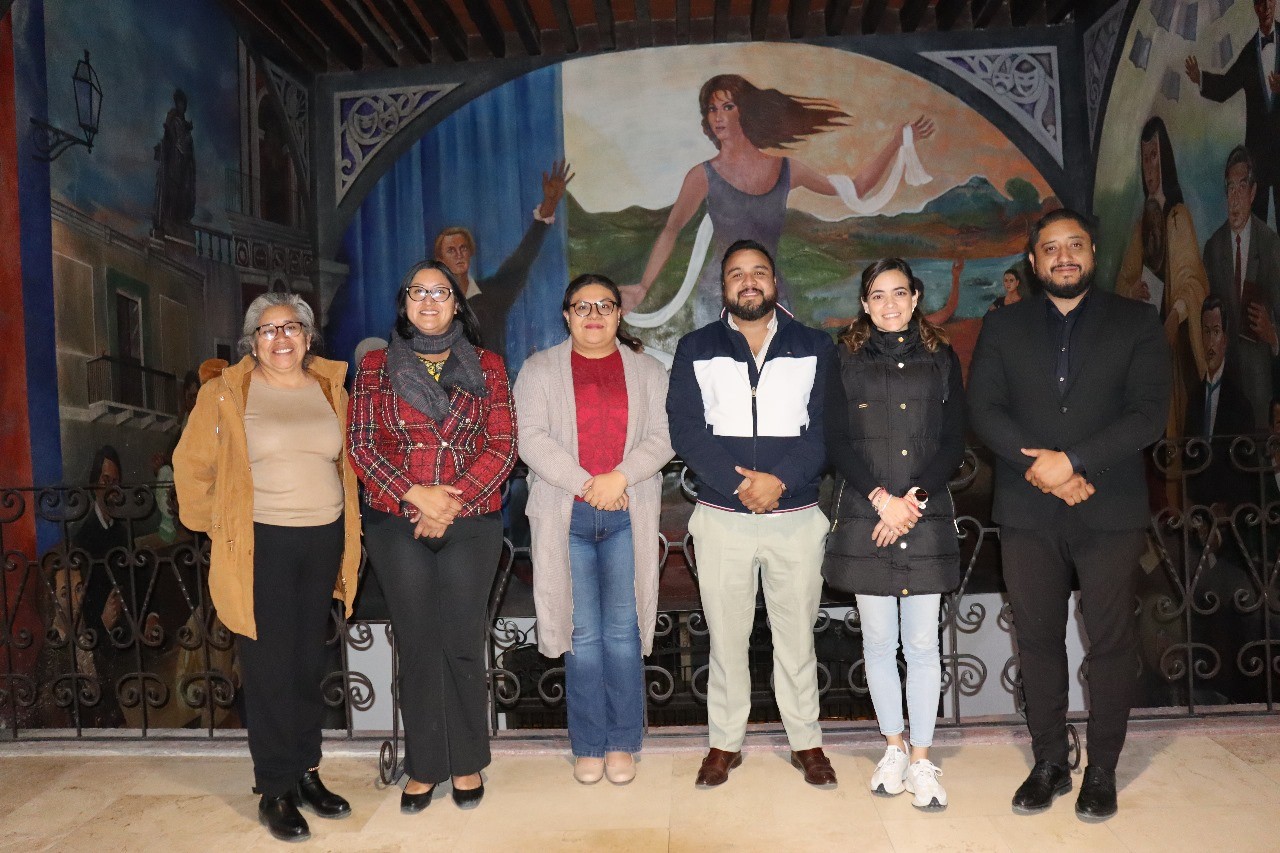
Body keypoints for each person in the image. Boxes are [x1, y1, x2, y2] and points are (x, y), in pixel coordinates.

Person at [968, 209, 1171, 821]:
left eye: (1075, 244)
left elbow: (1148, 414)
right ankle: (1050, 762)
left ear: (1092, 253)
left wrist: (1074, 462)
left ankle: (1103, 768)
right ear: (1033, 262)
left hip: (1109, 507)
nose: (1064, 256)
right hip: (1028, 509)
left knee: (1110, 641)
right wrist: (1045, 470)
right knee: (1036, 639)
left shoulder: (1136, 321)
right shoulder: (1003, 325)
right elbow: (984, 409)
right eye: (1050, 248)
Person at [173, 293, 361, 843]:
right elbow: (191, 465)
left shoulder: (331, 388)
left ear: (308, 336)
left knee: (307, 662)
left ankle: (306, 771)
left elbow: (347, 460)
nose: (281, 337)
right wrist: (221, 525)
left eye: (292, 327)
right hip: (262, 543)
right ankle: (275, 787)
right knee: (269, 666)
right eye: (268, 329)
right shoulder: (227, 392)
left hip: (322, 538)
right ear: (252, 342)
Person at [666, 239, 838, 789]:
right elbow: (685, 428)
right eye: (737, 273)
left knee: (797, 638)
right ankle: (724, 743)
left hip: (796, 516)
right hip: (722, 516)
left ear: (774, 281)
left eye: (758, 272)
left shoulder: (814, 345)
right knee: (726, 638)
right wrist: (739, 485)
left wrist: (779, 481)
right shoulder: (696, 347)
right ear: (723, 286)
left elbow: (827, 428)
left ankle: (806, 741)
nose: (748, 282)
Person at [348, 260, 516, 814]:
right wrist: (416, 494)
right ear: (404, 303)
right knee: (418, 643)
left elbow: (502, 446)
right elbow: (362, 446)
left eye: (440, 292)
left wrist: (450, 501)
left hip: (471, 519)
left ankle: (466, 761)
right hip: (397, 519)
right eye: (417, 291)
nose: (428, 300)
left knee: (461, 641)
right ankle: (424, 765)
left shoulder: (488, 365)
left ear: (456, 304)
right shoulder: (375, 366)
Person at [513, 274, 674, 785]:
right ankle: (588, 743)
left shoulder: (648, 371)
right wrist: (589, 485)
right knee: (581, 632)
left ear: (619, 314)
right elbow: (529, 438)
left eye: (605, 305)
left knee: (623, 631)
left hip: (629, 513)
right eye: (582, 307)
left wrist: (619, 478)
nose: (594, 315)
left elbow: (664, 435)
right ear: (567, 315)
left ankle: (623, 741)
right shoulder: (539, 370)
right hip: (567, 517)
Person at [619, 74, 934, 329]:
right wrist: (643, 287)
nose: (718, 116)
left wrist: (897, 142)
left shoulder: (787, 168)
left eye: (727, 107)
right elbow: (671, 229)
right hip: (718, 297)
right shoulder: (702, 176)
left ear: (745, 111)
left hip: (773, 296)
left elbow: (857, 188)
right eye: (712, 109)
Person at [822, 258, 966, 811]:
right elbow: (836, 439)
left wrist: (914, 501)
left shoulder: (941, 356)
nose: (889, 304)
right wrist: (883, 500)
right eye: (877, 295)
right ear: (864, 303)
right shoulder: (844, 358)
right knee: (879, 644)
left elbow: (954, 439)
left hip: (924, 518)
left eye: (899, 293)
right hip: (868, 516)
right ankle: (894, 747)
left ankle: (923, 758)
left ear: (915, 297)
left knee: (924, 646)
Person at [1117, 117, 1209, 443]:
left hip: (1173, 344)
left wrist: (1174, 316)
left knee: (1174, 429)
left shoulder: (1177, 216)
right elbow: (1123, 280)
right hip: (1145, 344)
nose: (1149, 166)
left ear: (1164, 157)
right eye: (1144, 158)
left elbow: (1194, 282)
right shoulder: (1140, 226)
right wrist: (1131, 290)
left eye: (1154, 155)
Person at [433, 160, 573, 358]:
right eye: (451, 250)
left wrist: (548, 206)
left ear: (470, 253)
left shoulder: (493, 293)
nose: (459, 254)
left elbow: (522, 260)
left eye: (463, 248)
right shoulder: (430, 305)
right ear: (440, 261)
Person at [1202, 146, 1280, 427]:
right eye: (1230, 188)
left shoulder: (1270, 245)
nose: (1234, 198)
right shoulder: (1213, 248)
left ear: (1253, 192)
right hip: (1225, 391)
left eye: (1241, 187)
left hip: (1259, 391)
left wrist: (1273, 335)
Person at [1185, 0, 1280, 225]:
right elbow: (1226, 86)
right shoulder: (1249, 53)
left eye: (1269, 0)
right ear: (1254, 7)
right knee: (1256, 226)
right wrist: (1200, 78)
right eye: (1260, 3)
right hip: (1257, 157)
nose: (1266, 8)